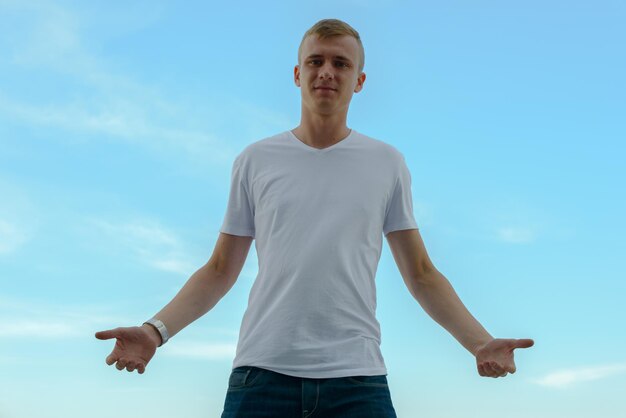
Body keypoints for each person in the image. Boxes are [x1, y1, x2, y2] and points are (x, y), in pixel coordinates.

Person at [95, 18, 534, 417]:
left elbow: (421, 273)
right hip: (260, 377)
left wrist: (478, 341)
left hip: (357, 382)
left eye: (341, 63)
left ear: (359, 81)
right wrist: (155, 331)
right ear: (297, 74)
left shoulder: (386, 162)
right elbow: (218, 269)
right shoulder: (255, 160)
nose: (327, 71)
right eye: (316, 61)